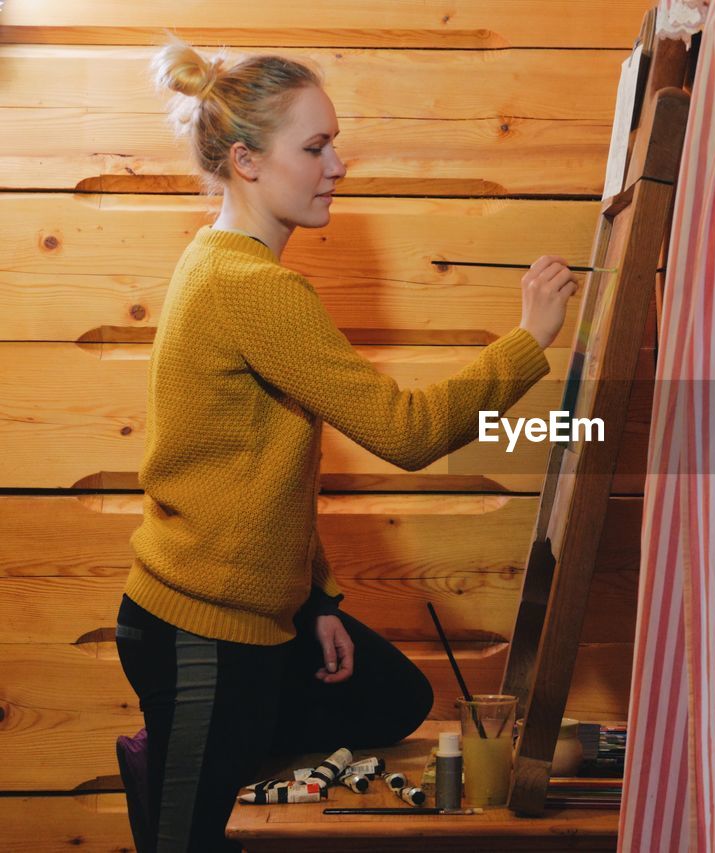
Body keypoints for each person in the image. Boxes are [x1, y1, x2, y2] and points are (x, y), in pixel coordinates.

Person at [115, 40, 577, 850]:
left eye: (335, 142)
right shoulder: (252, 286)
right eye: (316, 147)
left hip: (260, 615)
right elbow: (406, 433)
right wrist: (529, 340)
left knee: (391, 697)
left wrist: (318, 598)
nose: (337, 164)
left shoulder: (223, 263)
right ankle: (180, 762)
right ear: (246, 160)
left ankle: (205, 757)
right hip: (199, 630)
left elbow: (260, 463)